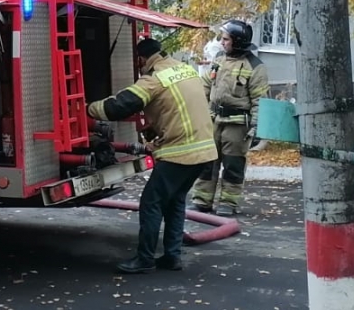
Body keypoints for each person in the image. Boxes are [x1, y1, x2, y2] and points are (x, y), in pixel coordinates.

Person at [88, 36, 217, 275]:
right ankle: (172, 256)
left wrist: (87, 109)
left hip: (181, 154)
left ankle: (145, 258)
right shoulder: (185, 69)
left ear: (142, 58)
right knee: (175, 201)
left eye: (138, 61)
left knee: (151, 203)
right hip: (205, 151)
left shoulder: (153, 80)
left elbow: (117, 106)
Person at [192, 18, 270, 217]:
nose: (222, 42)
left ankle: (228, 203)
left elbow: (260, 100)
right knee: (207, 162)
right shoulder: (219, 58)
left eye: (226, 39)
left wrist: (257, 128)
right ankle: (202, 201)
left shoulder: (255, 66)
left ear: (237, 41)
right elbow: (205, 86)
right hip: (213, 120)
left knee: (233, 166)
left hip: (237, 126)